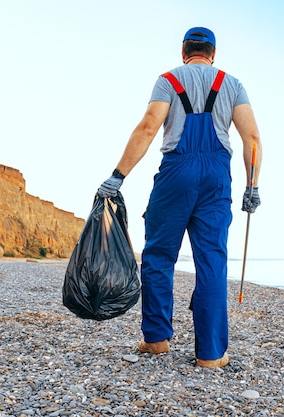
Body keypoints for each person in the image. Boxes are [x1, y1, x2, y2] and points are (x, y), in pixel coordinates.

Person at [97, 27, 262, 368]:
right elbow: (253, 139)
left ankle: (156, 339)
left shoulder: (169, 80)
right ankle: (211, 355)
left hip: (175, 173)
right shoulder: (232, 84)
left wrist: (118, 176)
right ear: (213, 54)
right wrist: (252, 186)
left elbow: (147, 128)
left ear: (184, 51)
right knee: (212, 261)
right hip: (216, 176)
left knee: (158, 255)